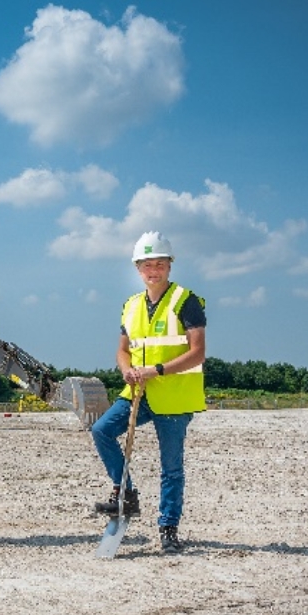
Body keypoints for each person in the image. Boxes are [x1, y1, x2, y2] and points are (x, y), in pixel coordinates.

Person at [89, 231, 206, 553]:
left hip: (174, 395)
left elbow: (197, 352)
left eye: (159, 264)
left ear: (170, 265)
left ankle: (168, 528)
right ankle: (126, 492)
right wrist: (126, 369)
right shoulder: (130, 306)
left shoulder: (186, 300)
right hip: (137, 393)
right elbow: (123, 350)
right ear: (137, 269)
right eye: (146, 265)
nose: (153, 270)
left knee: (171, 467)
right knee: (101, 430)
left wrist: (156, 371)